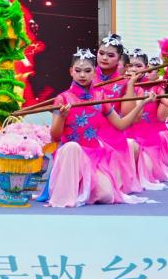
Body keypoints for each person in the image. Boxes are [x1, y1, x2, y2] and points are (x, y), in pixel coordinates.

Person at [45, 49, 155, 207]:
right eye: (78, 70)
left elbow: (121, 125)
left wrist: (142, 103)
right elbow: (55, 137)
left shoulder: (100, 97)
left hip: (94, 155)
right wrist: (62, 117)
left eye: (87, 71)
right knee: (72, 147)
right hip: (71, 155)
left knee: (107, 195)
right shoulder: (62, 98)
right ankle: (72, 186)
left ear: (93, 72)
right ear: (71, 72)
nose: (82, 75)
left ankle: (81, 185)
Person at [121, 50, 168, 186]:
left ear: (147, 68)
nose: (134, 69)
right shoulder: (120, 86)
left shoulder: (155, 88)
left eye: (138, 66)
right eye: (131, 65)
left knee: (145, 173)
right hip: (125, 141)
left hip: (148, 144)